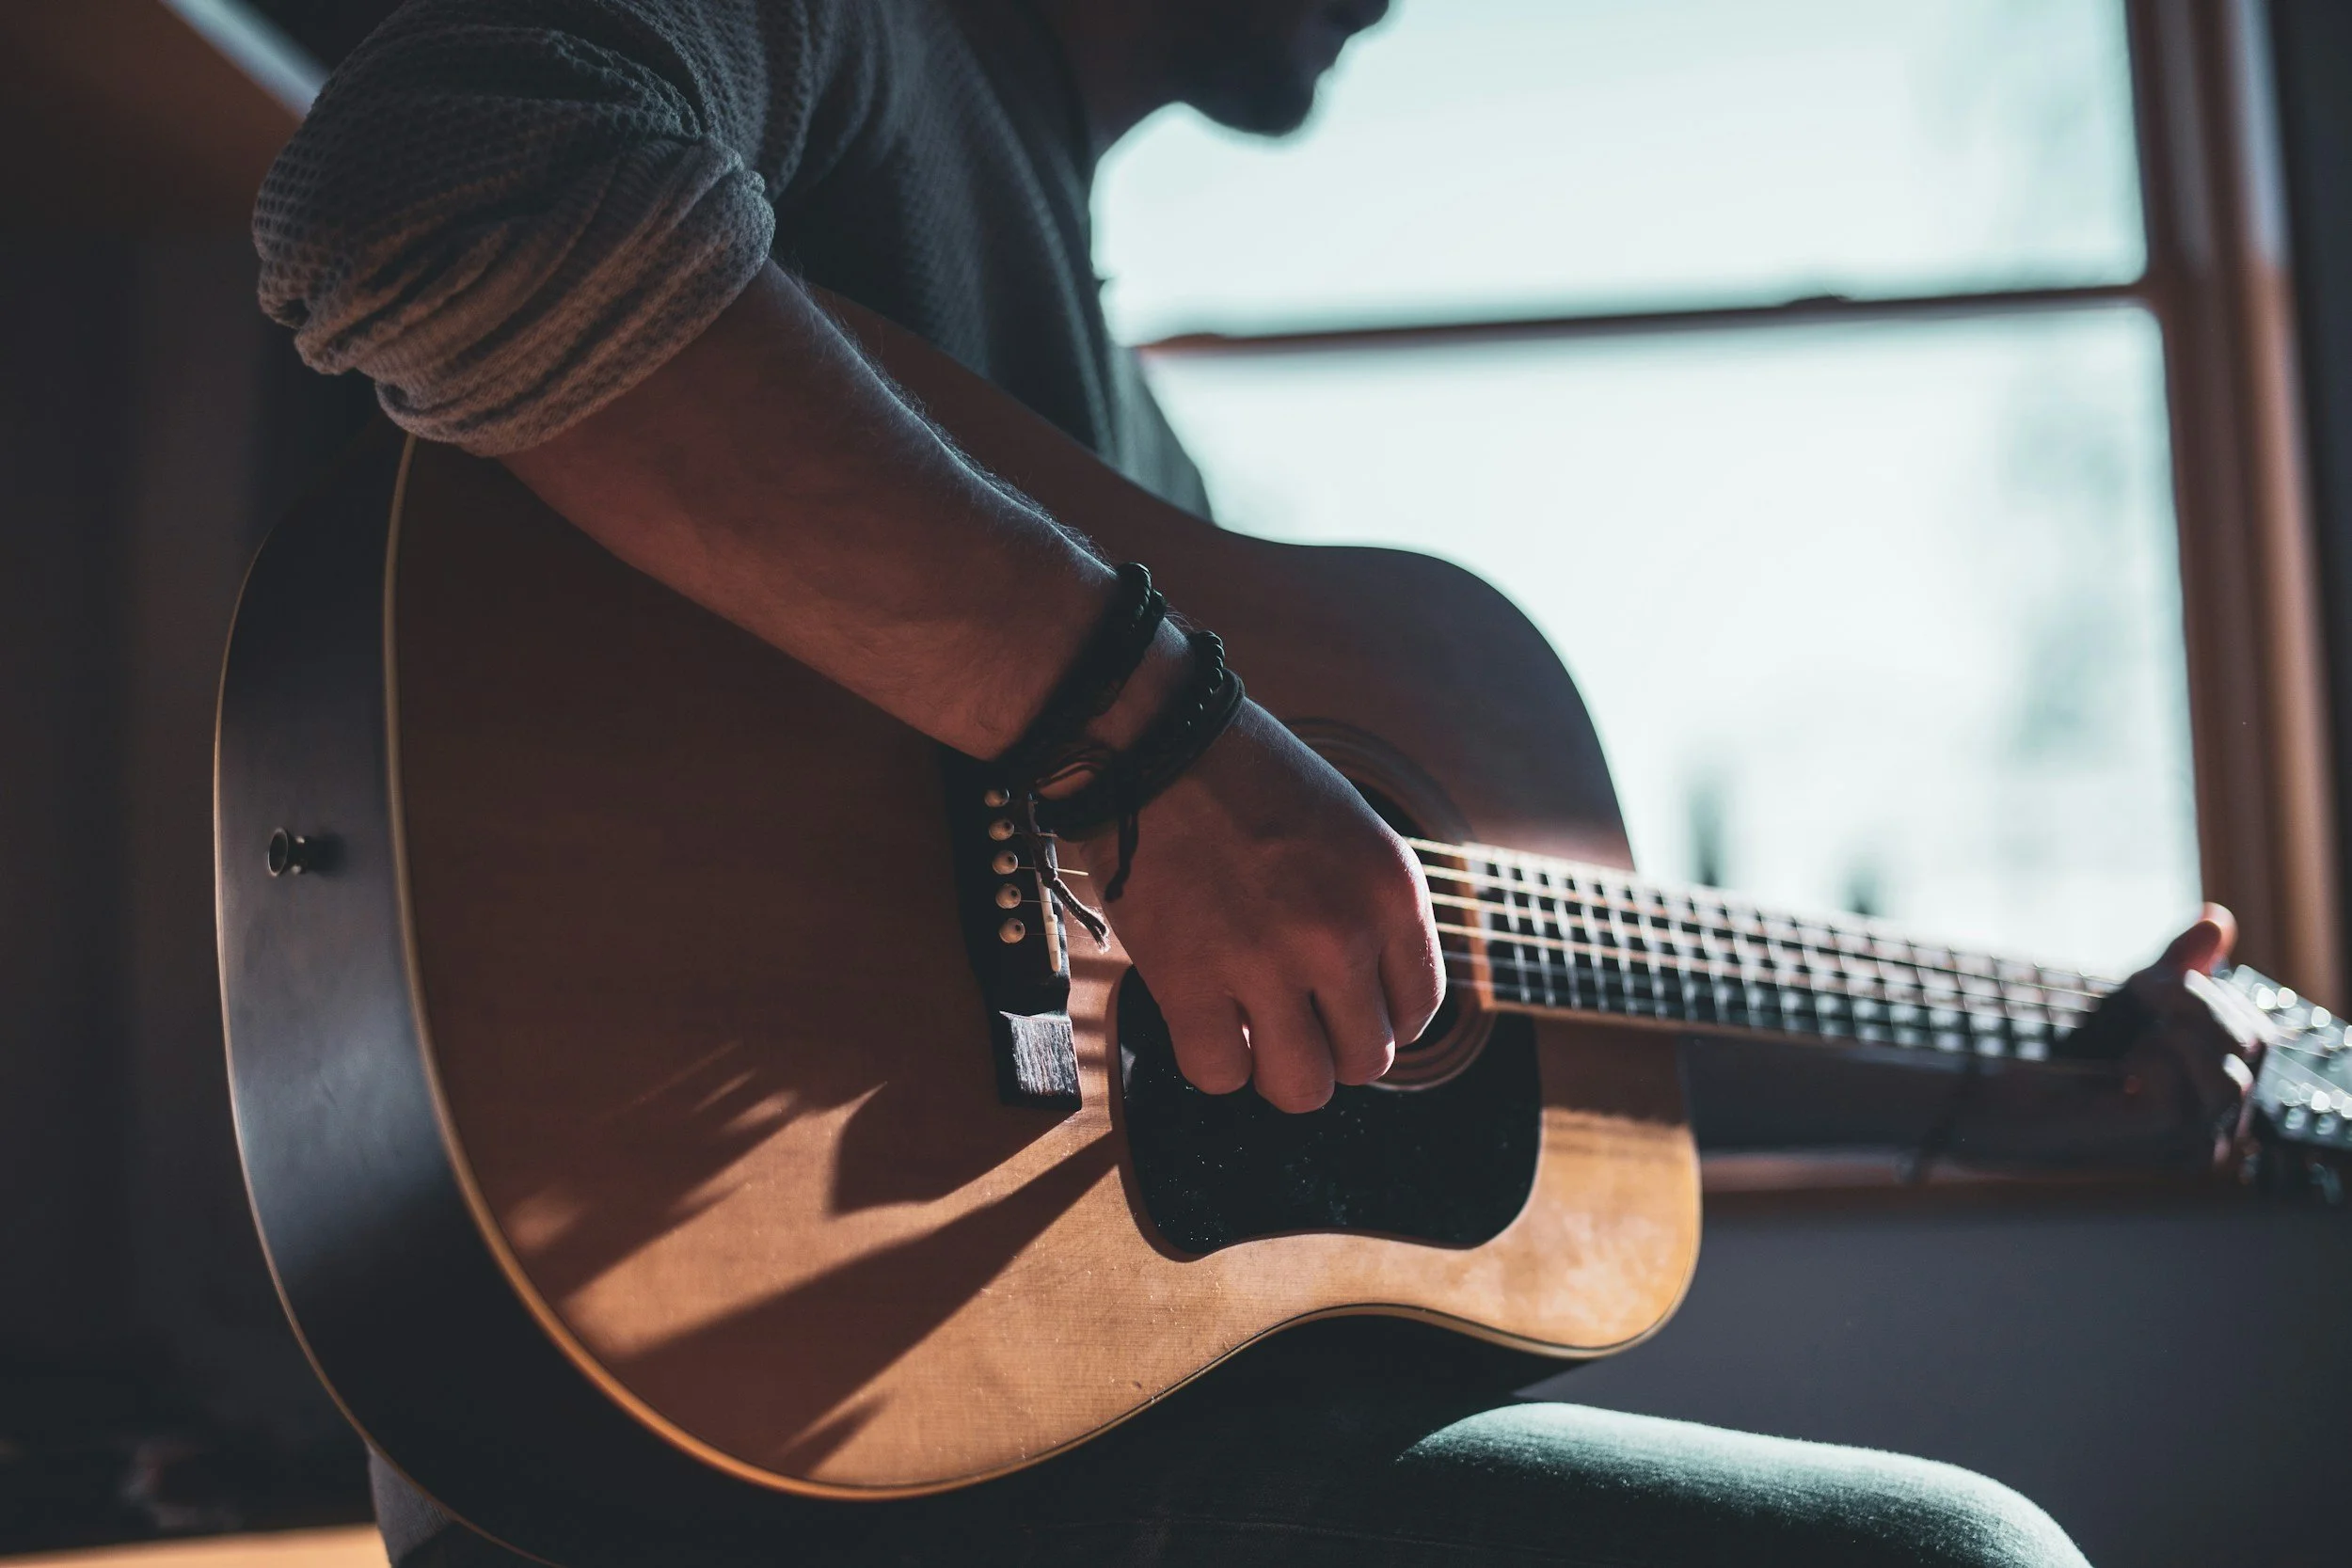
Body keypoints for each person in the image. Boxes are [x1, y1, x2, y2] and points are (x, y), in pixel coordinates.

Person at [252, 2, 2269, 1562]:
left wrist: (2022, 1049)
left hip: (1036, 1418)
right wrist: (1149, 746)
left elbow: (1478, 1002)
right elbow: (433, 179)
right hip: (729, 1449)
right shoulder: (858, 39)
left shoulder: (1132, 453)